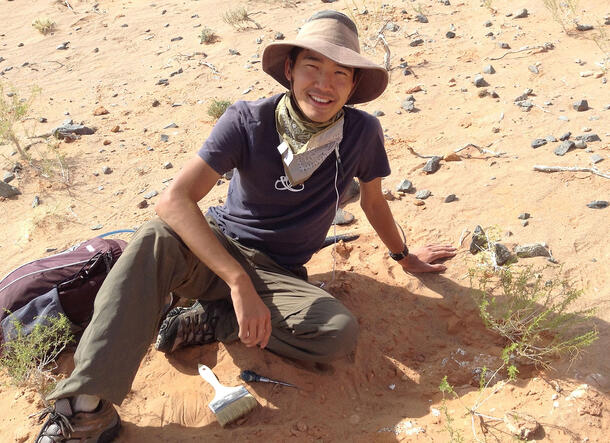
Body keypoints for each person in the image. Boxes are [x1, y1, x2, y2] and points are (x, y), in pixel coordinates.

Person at [35, 10, 456, 442]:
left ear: (353, 86)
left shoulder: (362, 133)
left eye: (340, 74)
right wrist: (237, 281)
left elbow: (373, 201)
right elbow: (174, 199)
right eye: (312, 67)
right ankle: (86, 407)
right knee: (154, 236)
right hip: (219, 249)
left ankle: (214, 319)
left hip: (280, 273)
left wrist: (405, 258)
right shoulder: (248, 120)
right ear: (290, 70)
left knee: (336, 333)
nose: (324, 84)